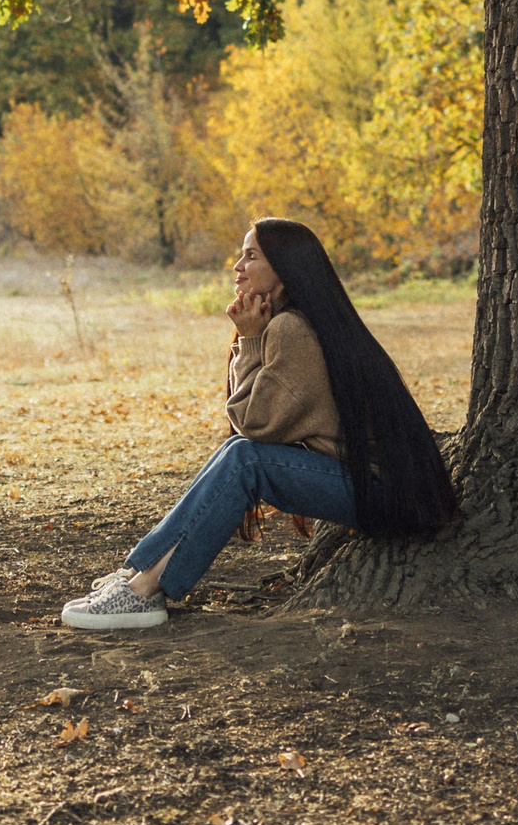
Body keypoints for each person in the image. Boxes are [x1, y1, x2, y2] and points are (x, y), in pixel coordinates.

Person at [59, 217, 458, 630]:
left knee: (245, 459)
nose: (238, 266)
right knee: (237, 454)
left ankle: (143, 590)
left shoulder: (291, 329)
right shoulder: (306, 321)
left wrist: (249, 339)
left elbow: (253, 423)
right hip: (388, 492)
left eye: (251, 256)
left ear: (284, 270)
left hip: (387, 498)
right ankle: (138, 578)